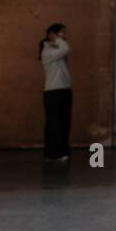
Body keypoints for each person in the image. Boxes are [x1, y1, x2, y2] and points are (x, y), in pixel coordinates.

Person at [38, 23, 72, 162]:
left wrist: (57, 39)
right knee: (54, 124)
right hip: (53, 92)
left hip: (64, 90)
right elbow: (66, 48)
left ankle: (62, 151)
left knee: (64, 122)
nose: (65, 36)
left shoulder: (55, 49)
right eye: (62, 33)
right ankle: (52, 153)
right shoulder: (47, 51)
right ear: (53, 34)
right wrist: (56, 38)